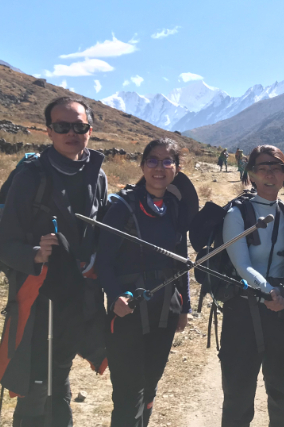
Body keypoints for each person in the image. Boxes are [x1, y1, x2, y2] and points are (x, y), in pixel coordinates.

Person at [0, 97, 108, 427]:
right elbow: (2, 243)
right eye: (62, 127)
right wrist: (34, 253)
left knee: (58, 375)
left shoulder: (97, 175)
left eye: (79, 126)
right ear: (49, 131)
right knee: (35, 385)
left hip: (79, 296)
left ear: (89, 130)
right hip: (39, 296)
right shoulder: (31, 176)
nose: (71, 133)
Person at [96, 138, 191, 427]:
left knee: (150, 386)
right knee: (127, 393)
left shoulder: (174, 208)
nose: (159, 168)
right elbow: (103, 261)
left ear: (176, 168)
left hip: (165, 310)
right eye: (152, 160)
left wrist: (184, 306)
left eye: (166, 161)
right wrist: (115, 296)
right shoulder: (123, 206)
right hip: (128, 310)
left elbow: (182, 260)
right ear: (142, 165)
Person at [220, 145, 284, 427]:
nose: (269, 173)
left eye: (276, 167)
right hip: (243, 313)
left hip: (280, 314)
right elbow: (242, 266)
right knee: (238, 396)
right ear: (251, 174)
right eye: (262, 168)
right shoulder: (237, 213)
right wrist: (272, 292)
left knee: (281, 391)